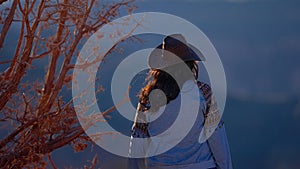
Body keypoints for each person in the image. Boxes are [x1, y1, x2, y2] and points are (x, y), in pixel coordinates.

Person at [128, 34, 232, 169]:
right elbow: (216, 136)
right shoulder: (203, 93)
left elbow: (137, 142)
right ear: (190, 64)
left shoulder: (149, 97)